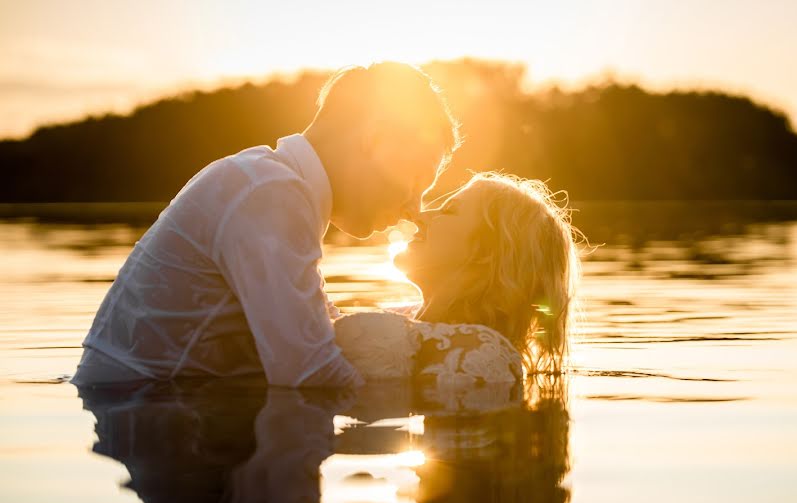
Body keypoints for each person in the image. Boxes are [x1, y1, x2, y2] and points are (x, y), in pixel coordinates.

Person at [72, 62, 459, 388]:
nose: (415, 208)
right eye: (417, 177)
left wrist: (440, 316)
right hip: (143, 414)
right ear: (376, 140)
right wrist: (433, 402)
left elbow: (327, 331)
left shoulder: (271, 184)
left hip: (149, 416)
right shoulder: (270, 193)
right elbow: (310, 372)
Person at [334, 172, 580, 384]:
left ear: (485, 252)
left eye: (448, 210)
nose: (419, 217)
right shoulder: (402, 318)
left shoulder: (480, 354)